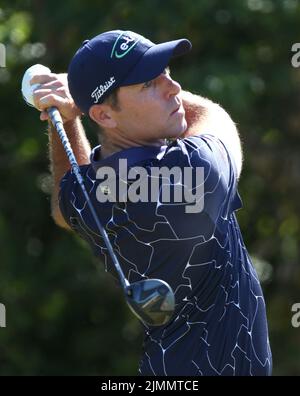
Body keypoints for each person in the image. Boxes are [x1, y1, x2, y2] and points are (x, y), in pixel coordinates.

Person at [32, 30, 272, 376]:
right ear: (104, 116)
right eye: (148, 84)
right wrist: (76, 98)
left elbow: (64, 208)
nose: (173, 88)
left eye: (166, 73)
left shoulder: (92, 190)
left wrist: (67, 118)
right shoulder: (193, 170)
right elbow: (215, 117)